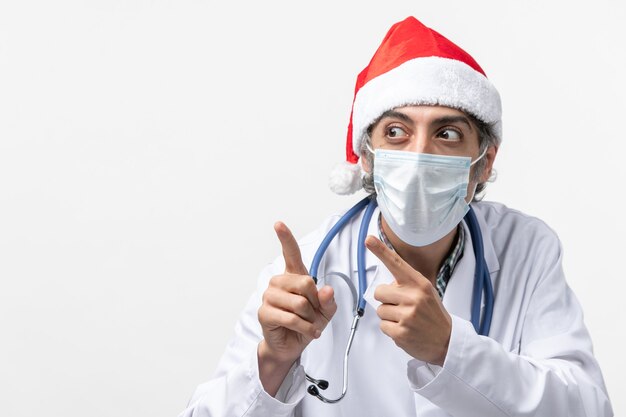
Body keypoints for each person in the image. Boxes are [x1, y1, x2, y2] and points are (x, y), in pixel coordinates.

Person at [179, 16, 613, 416]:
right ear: (367, 157)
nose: (420, 155)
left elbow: (589, 407)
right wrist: (273, 363)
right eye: (396, 132)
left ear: (483, 162)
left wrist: (450, 349)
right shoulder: (307, 271)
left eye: (447, 134)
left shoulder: (527, 250)